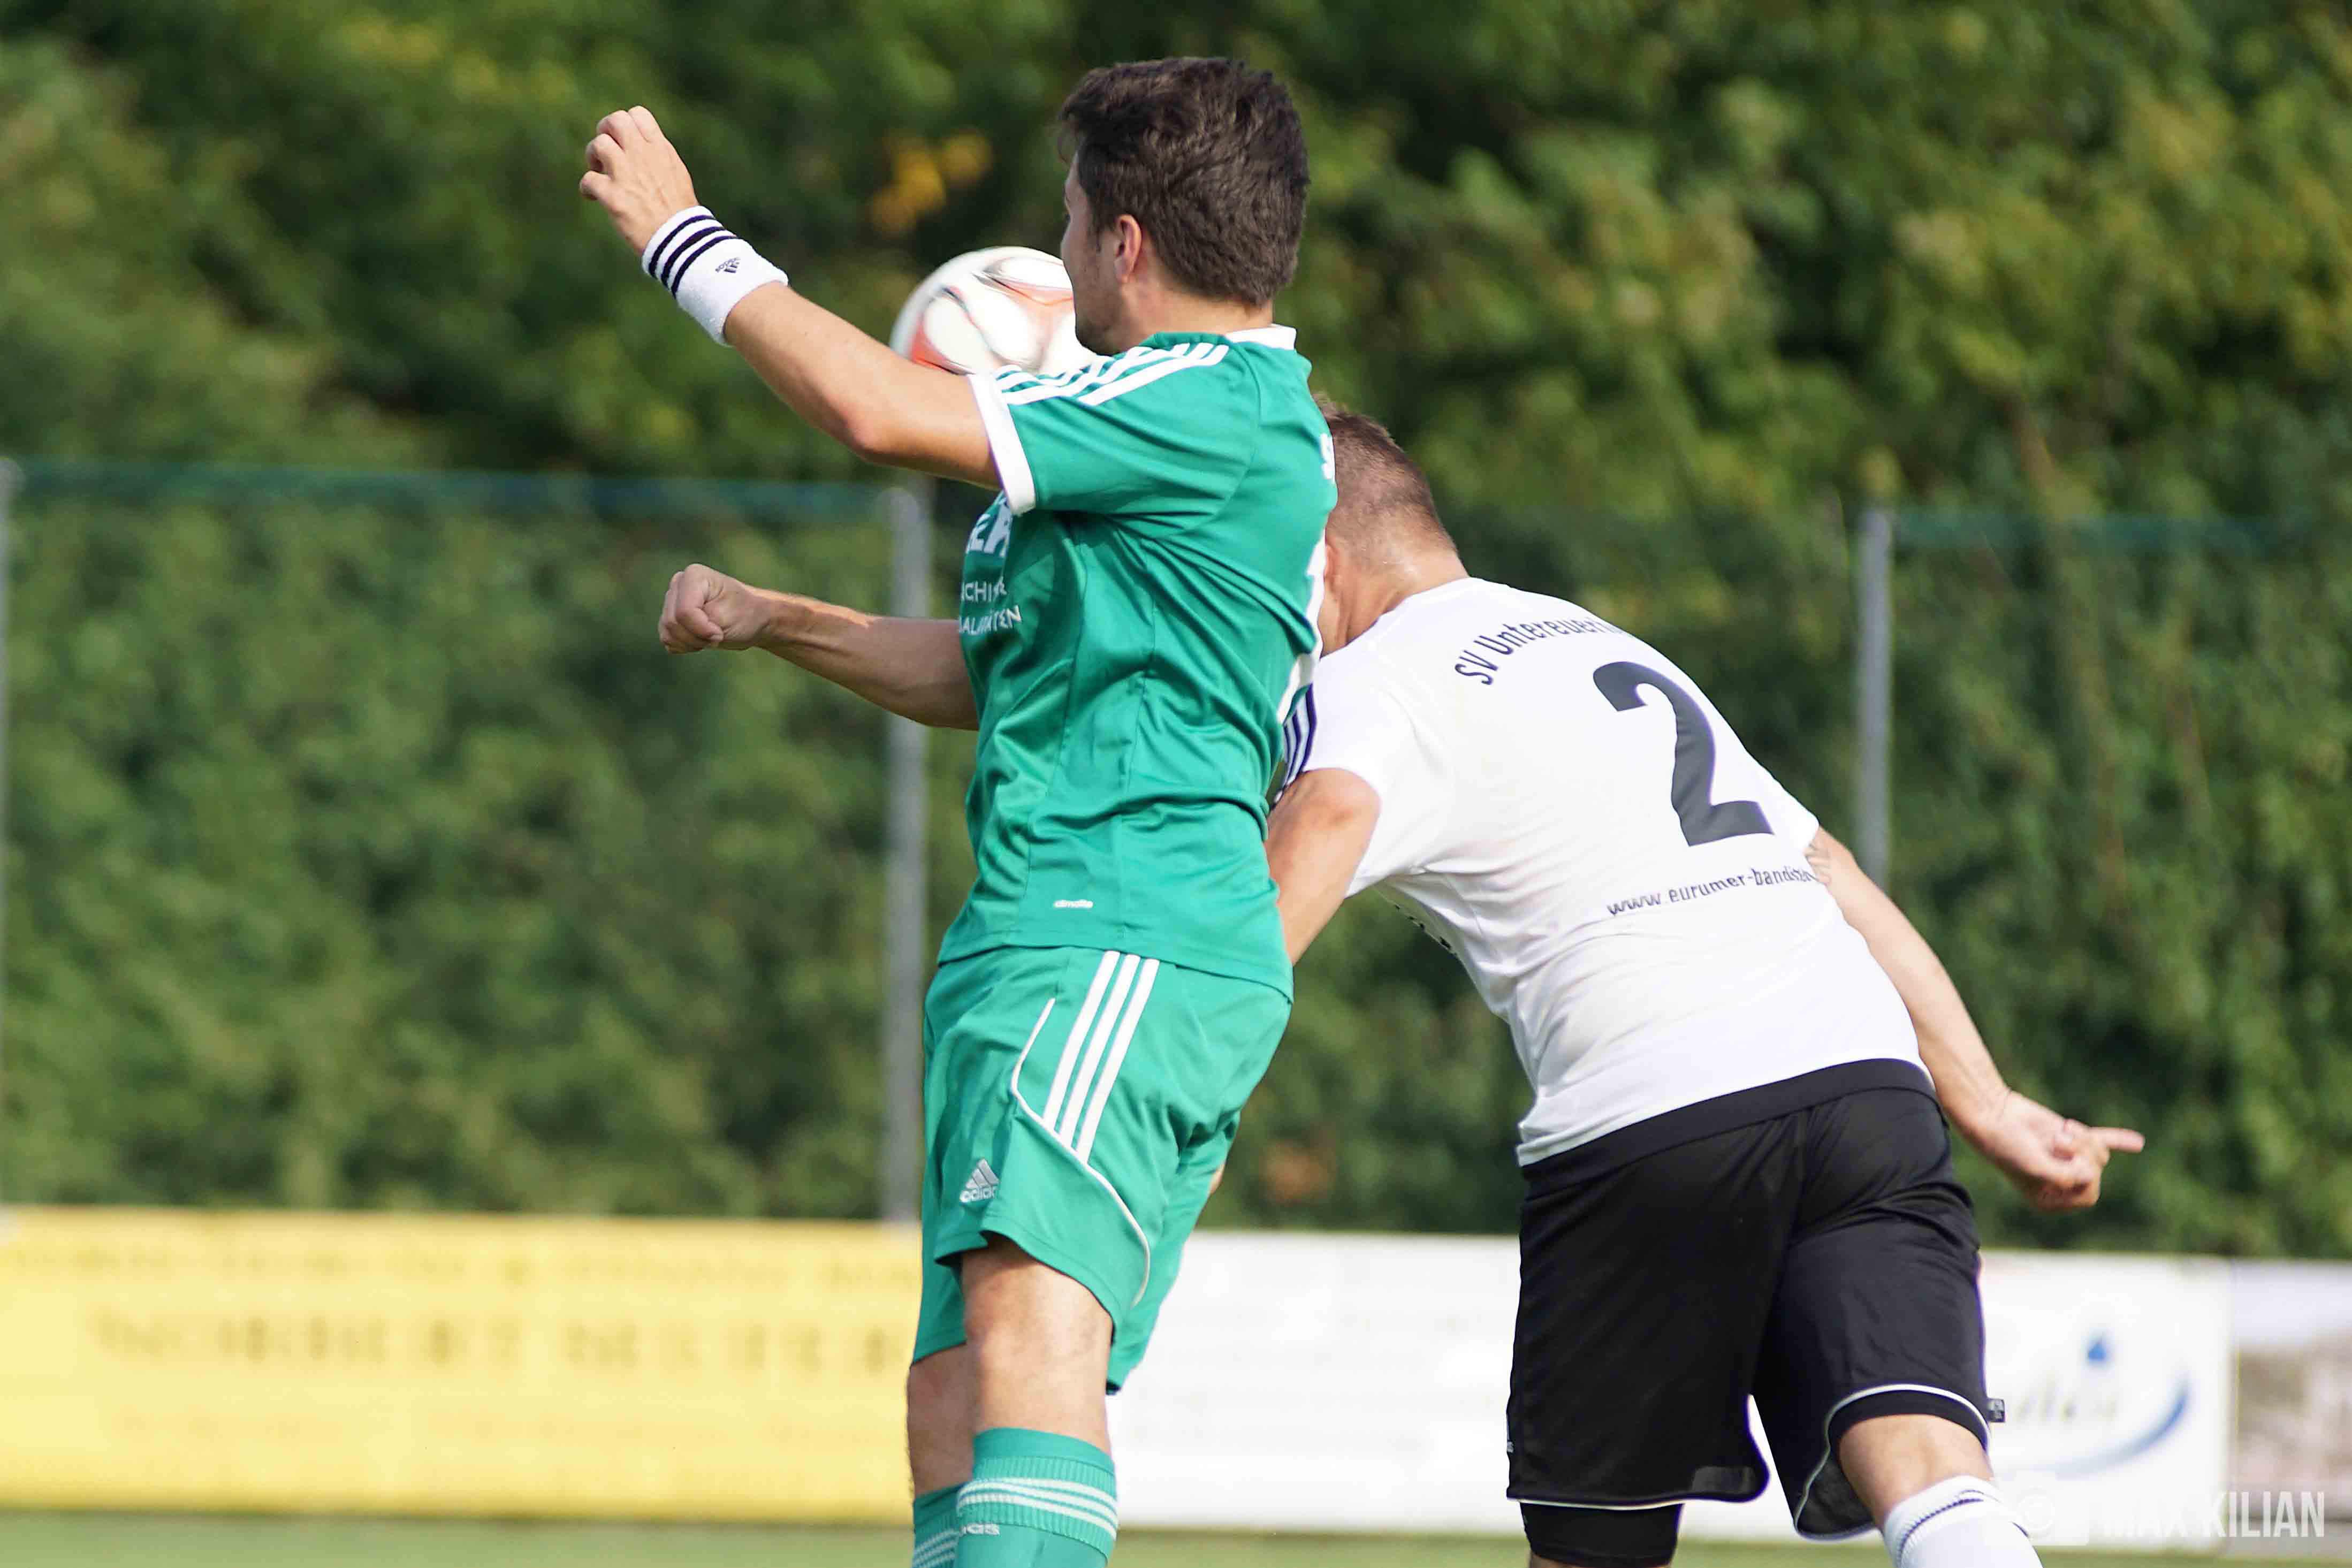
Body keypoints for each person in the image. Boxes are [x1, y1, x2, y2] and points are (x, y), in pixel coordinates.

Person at [591, 59, 1332, 1568]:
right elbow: (991, 672)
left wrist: (683, 237)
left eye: (1068, 221)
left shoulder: (1212, 401)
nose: (1058, 252)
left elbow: (872, 410)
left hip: (1124, 927)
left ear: (1124, 241)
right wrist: (777, 619)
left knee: (1026, 1330)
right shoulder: (1147, 425)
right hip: (1039, 935)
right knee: (950, 1386)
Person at [1266, 408, 2144, 1568]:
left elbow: (1327, 813)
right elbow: (1824, 865)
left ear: (1320, 557)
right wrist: (1990, 1105)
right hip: (1861, 1084)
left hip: (1651, 1113)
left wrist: (1188, 1054)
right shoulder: (1584, 634)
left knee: (1594, 1553)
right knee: (1938, 1481)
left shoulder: (1372, 679)